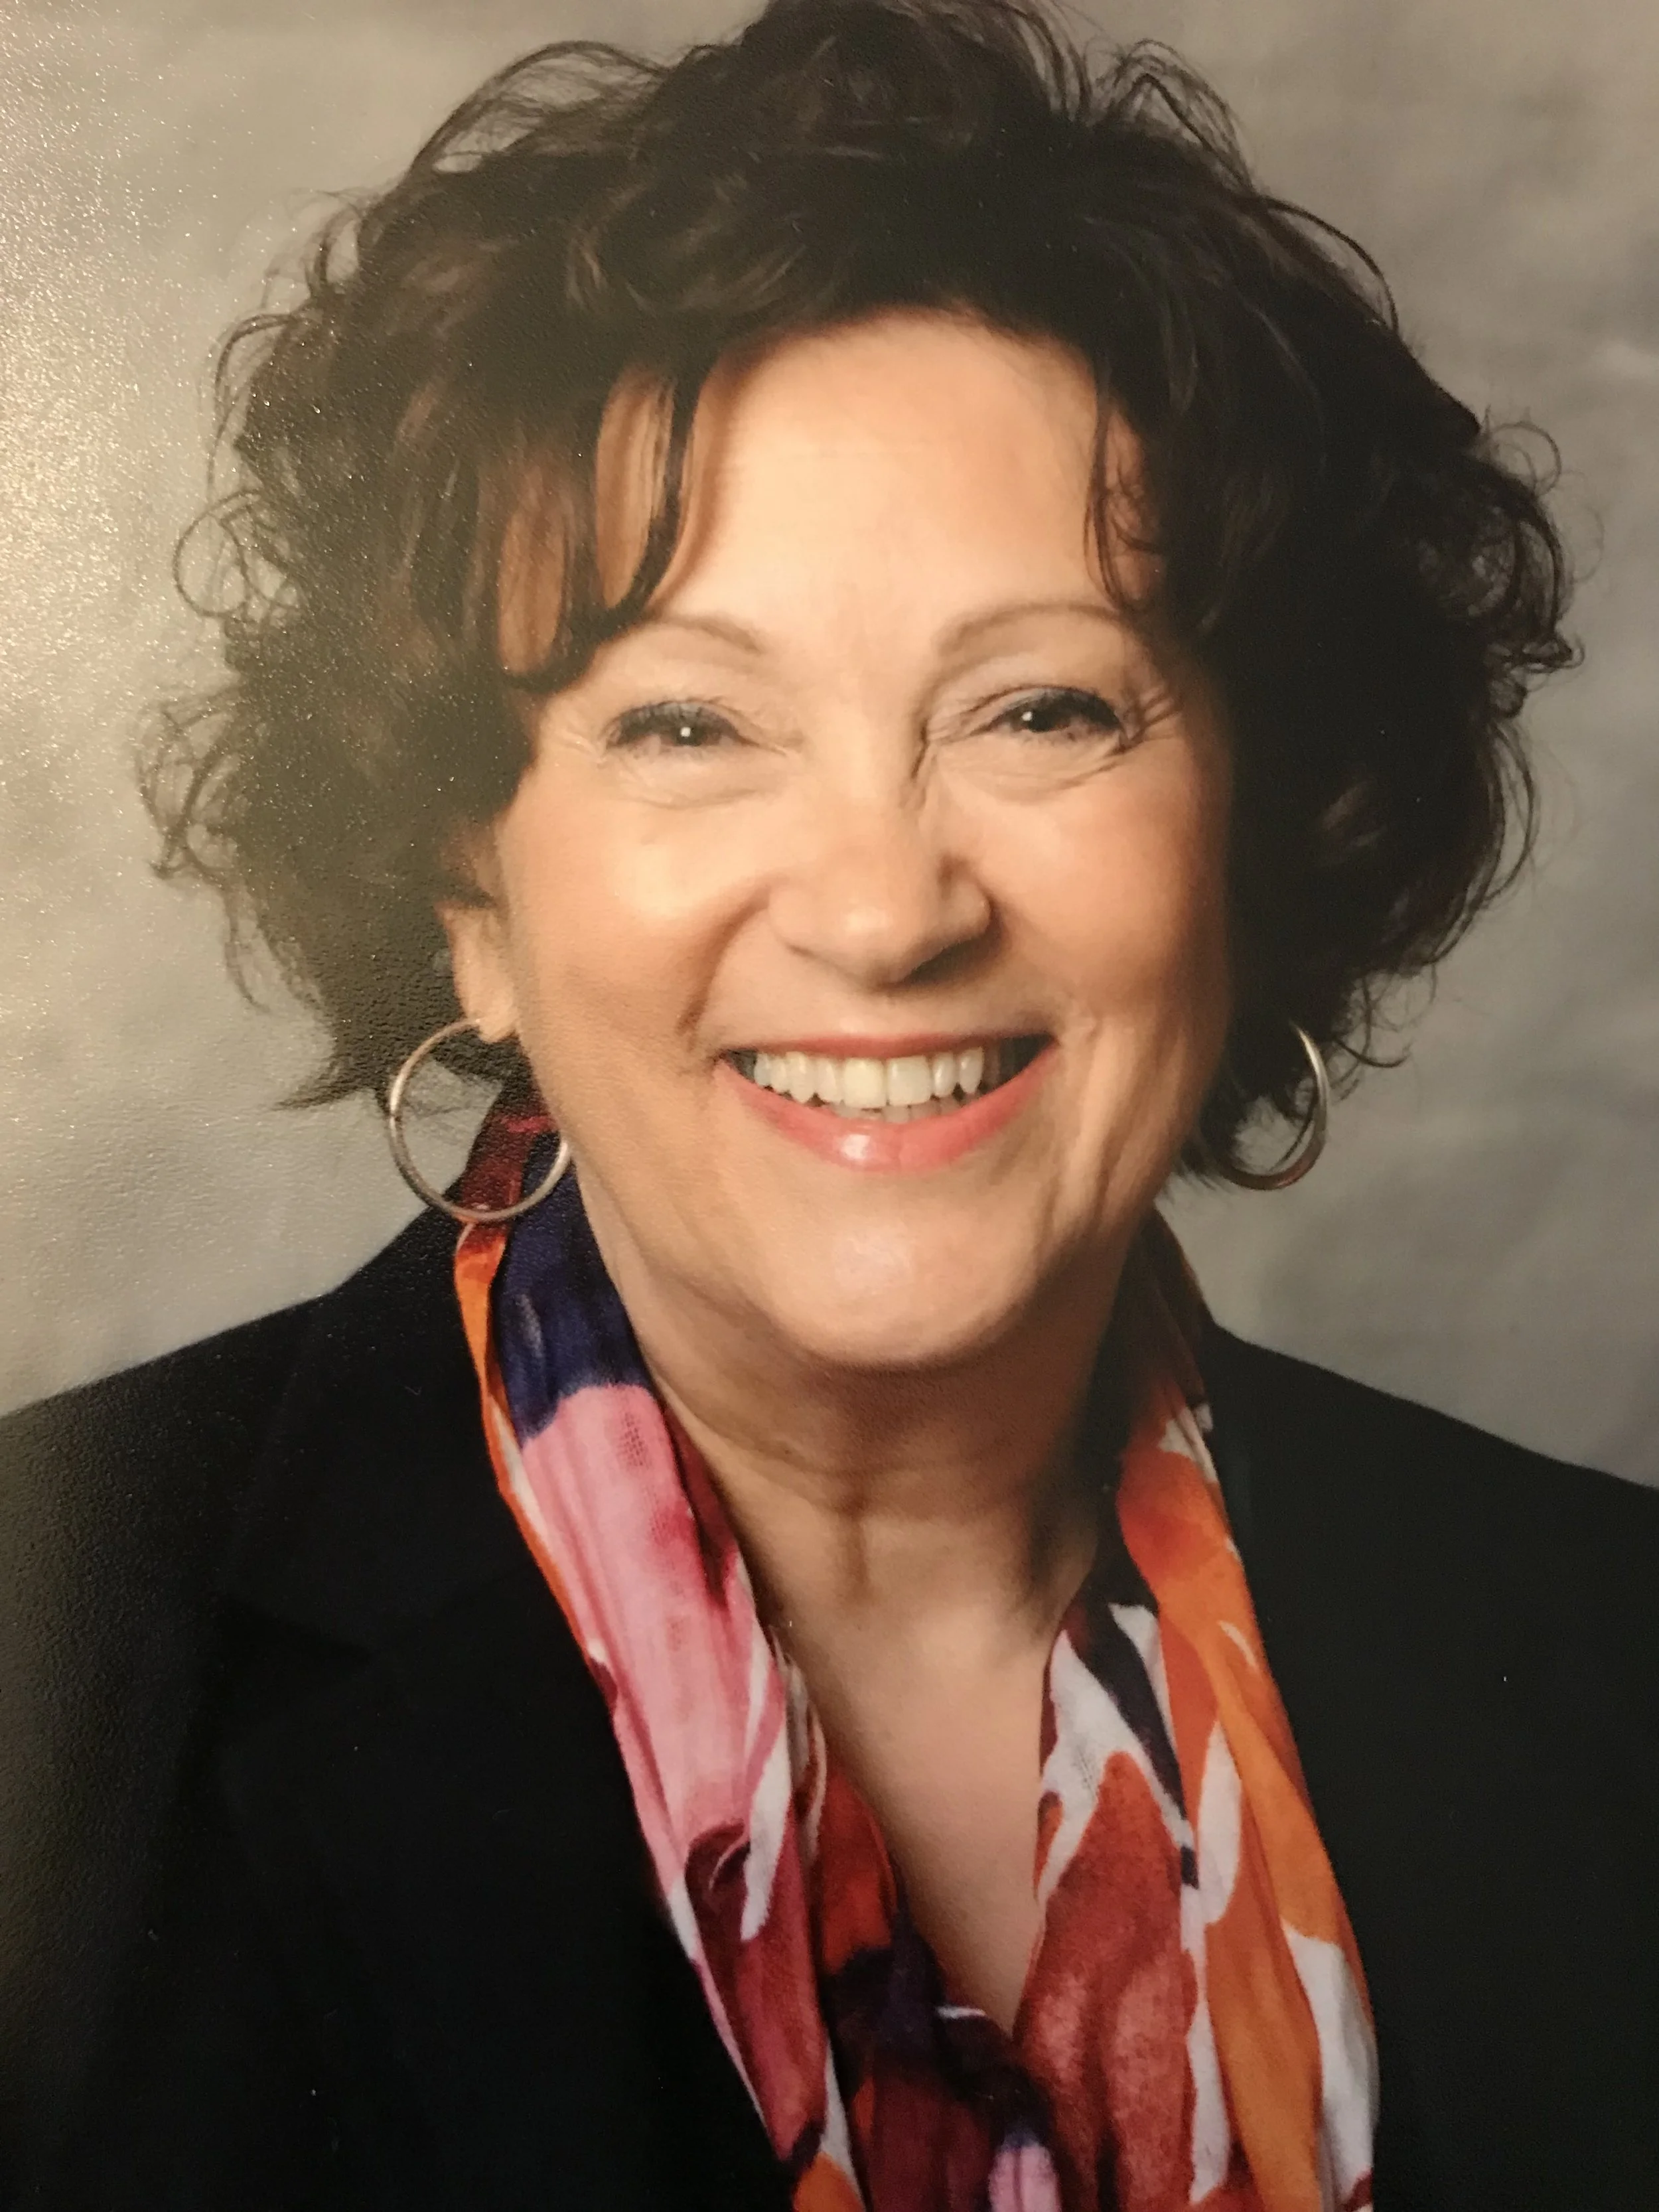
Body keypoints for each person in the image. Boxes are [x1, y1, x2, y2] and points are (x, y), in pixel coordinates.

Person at [4, 1, 1656, 2205]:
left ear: (1252, 845)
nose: (884, 910)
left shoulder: (1607, 1651)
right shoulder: (48, 1674)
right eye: (688, 726)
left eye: (1041, 707)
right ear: (465, 894)